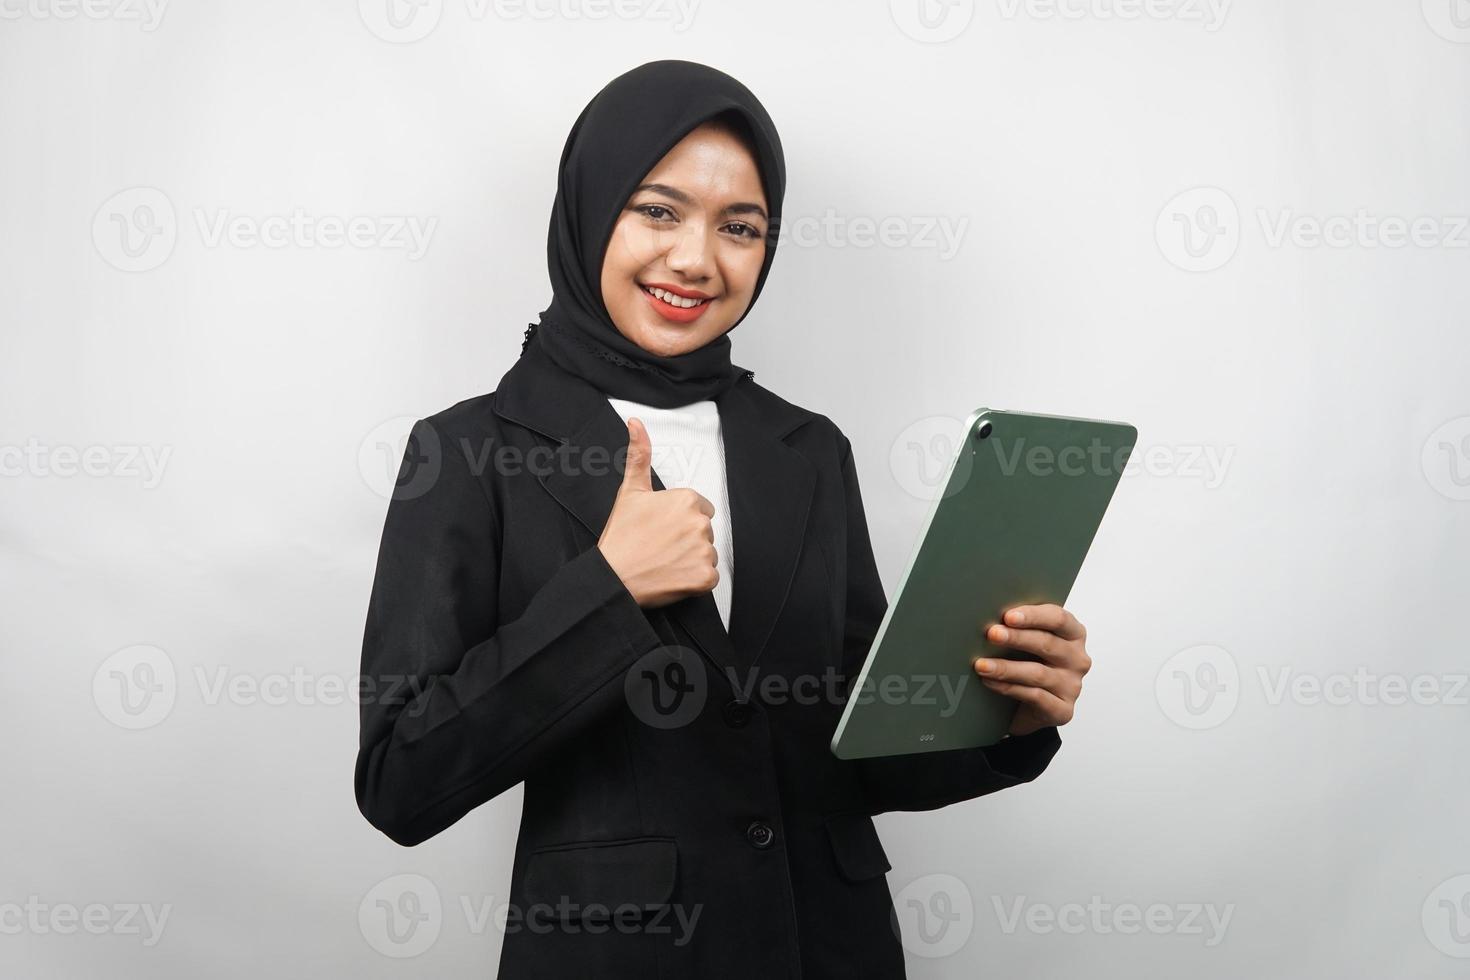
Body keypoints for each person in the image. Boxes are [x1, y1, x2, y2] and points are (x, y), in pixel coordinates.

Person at [354, 59, 1092, 979]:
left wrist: (1006, 714)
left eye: (739, 227)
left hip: (829, 947)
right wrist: (607, 593)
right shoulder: (467, 453)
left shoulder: (809, 449)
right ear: (589, 212)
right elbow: (400, 781)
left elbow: (855, 752)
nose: (698, 259)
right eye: (658, 211)